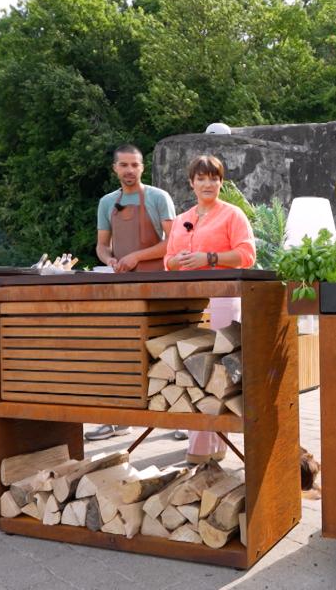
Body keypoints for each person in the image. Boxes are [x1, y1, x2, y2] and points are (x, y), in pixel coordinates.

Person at [165, 154, 256, 462]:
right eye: (201, 178)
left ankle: (206, 448)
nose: (208, 184)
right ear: (191, 183)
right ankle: (208, 446)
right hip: (190, 302)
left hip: (223, 300)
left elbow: (247, 255)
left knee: (217, 373)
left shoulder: (232, 215)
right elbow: (168, 260)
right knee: (191, 370)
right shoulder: (182, 218)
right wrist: (177, 261)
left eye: (214, 178)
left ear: (221, 182)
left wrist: (210, 258)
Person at [85, 144, 176, 442]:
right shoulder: (106, 203)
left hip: (158, 284)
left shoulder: (158, 198)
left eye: (134, 165)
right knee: (120, 349)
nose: (129, 170)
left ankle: (183, 419)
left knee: (165, 349)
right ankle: (117, 420)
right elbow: (101, 245)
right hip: (123, 286)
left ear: (142, 167)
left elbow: (173, 242)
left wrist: (136, 256)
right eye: (123, 165)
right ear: (115, 168)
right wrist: (109, 259)